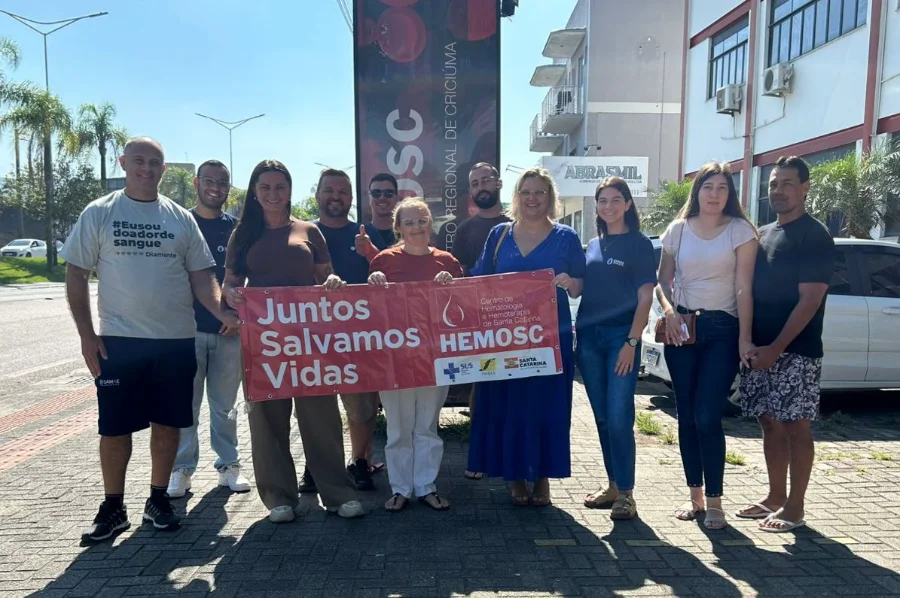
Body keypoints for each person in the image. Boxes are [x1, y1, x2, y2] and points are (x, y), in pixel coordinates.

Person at [62, 137, 240, 543]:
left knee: (168, 425)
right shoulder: (100, 212)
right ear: (124, 163)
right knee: (114, 429)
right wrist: (87, 336)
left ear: (164, 169)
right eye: (139, 161)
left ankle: (158, 499)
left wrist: (222, 313)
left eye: (154, 162)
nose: (147, 168)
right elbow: (76, 273)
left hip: (176, 341)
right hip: (119, 342)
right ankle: (113, 506)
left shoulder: (180, 218)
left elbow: (201, 277)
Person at [222, 160, 364, 523]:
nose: (273, 194)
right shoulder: (243, 234)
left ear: (290, 190)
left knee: (322, 417)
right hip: (264, 343)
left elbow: (326, 278)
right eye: (265, 187)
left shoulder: (309, 231)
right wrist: (234, 296)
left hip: (310, 342)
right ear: (254, 191)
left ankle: (337, 492)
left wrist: (333, 285)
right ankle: (278, 496)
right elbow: (230, 284)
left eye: (280, 187)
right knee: (268, 418)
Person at [466, 167, 586, 507]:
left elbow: (580, 285)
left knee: (547, 405)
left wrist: (568, 281)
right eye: (526, 192)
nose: (532, 198)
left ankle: (544, 476)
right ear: (516, 197)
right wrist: (448, 280)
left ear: (551, 198)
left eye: (540, 192)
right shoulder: (499, 235)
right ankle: (516, 477)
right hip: (505, 339)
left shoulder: (566, 237)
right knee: (508, 404)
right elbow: (478, 279)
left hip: (551, 338)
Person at [655, 162, 758, 530]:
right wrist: (668, 313)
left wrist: (745, 337)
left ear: (730, 194)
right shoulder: (677, 230)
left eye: (722, 187)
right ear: (696, 191)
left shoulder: (740, 230)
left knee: (707, 417)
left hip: (722, 330)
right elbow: (662, 280)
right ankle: (695, 498)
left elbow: (744, 287)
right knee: (686, 416)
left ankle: (716, 502)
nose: (715, 194)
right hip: (683, 328)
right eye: (708, 187)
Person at [737, 156, 835, 533]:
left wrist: (777, 348)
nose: (778, 190)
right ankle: (775, 497)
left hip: (796, 351)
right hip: (760, 349)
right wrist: (749, 343)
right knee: (769, 423)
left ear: (805, 188)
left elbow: (810, 299)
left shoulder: (815, 236)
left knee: (796, 425)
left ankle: (795, 508)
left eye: (787, 184)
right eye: (774, 184)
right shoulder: (762, 234)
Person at [368, 198, 463, 512]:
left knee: (427, 425)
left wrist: (453, 287)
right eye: (408, 222)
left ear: (430, 222)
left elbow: (463, 308)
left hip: (435, 356)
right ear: (398, 228)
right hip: (394, 357)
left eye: (421, 220)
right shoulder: (383, 261)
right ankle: (400, 489)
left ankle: (426, 486)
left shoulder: (448, 261)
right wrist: (374, 285)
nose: (416, 227)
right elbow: (370, 310)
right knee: (398, 427)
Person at [167, 160, 250, 499]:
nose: (216, 187)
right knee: (185, 407)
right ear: (196, 182)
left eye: (223, 181)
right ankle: (181, 470)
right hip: (186, 333)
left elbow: (249, 278)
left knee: (225, 406)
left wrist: (237, 314)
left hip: (228, 333)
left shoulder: (238, 229)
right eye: (210, 181)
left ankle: (228, 465)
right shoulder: (180, 223)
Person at [577, 177, 657, 520]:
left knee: (620, 417)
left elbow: (646, 297)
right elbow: (582, 289)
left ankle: (626, 493)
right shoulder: (594, 244)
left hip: (620, 340)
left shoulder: (639, 244)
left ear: (627, 204)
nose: (608, 206)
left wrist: (631, 342)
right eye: (602, 201)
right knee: (602, 418)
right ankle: (612, 485)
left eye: (614, 200)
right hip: (589, 340)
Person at [309, 168, 389, 492]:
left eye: (343, 191)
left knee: (361, 409)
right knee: (318, 409)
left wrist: (370, 255)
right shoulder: (303, 232)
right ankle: (317, 466)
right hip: (313, 338)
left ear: (352, 198)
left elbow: (388, 275)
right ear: (317, 194)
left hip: (360, 338)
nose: (336, 196)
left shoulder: (368, 234)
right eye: (329, 190)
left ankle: (359, 462)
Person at [451, 162, 512, 480]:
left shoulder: (517, 225)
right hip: (477, 323)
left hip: (515, 322)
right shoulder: (464, 230)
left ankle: (508, 454)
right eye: (475, 183)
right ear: (471, 191)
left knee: (512, 389)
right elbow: (460, 275)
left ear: (499, 184)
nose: (481, 186)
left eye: (486, 180)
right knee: (482, 388)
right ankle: (480, 453)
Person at [367, 173, 400, 246]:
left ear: (397, 197)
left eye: (388, 193)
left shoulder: (408, 235)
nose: (382, 198)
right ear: (369, 197)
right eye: (376, 193)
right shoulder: (359, 235)